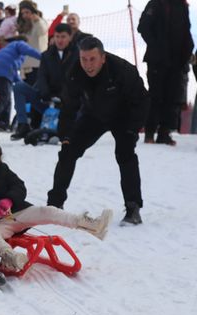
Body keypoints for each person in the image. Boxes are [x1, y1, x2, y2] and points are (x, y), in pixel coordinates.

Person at [46, 37, 149, 226]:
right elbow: (69, 106)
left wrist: (133, 129)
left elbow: (141, 100)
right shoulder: (75, 71)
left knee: (125, 154)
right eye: (84, 59)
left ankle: (133, 208)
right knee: (68, 152)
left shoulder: (123, 70)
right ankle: (54, 205)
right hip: (93, 115)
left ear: (103, 58)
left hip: (123, 116)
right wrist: (66, 135)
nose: (87, 64)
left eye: (92, 59)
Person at [0, 139, 113, 271]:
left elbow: (19, 186)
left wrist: (9, 200)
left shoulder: (3, 170)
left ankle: (91, 225)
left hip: (18, 212)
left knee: (47, 211)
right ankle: (10, 256)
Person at [138, 0, 194, 146]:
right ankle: (149, 133)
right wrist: (156, 47)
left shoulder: (182, 6)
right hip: (157, 60)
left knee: (172, 97)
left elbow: (186, 29)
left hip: (177, 60)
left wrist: (188, 49)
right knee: (156, 96)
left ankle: (164, 133)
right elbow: (143, 27)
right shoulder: (155, 4)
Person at [11, 23, 77, 140]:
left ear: (70, 37)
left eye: (63, 37)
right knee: (19, 87)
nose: (59, 40)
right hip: (47, 100)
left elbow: (76, 80)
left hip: (68, 104)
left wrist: (63, 97)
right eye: (57, 36)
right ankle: (23, 125)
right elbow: (41, 77)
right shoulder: (47, 56)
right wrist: (46, 95)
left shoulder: (78, 55)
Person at [0, 36, 41, 131]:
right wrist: (44, 57)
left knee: (7, 98)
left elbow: (13, 71)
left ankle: (3, 123)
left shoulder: (8, 50)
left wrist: (22, 85)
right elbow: (29, 51)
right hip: (3, 69)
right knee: (5, 96)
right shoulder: (19, 44)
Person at [17, 1, 47, 84]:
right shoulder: (23, 27)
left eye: (27, 12)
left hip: (37, 65)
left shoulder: (40, 22)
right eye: (23, 13)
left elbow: (42, 32)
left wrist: (37, 21)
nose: (25, 16)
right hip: (25, 66)